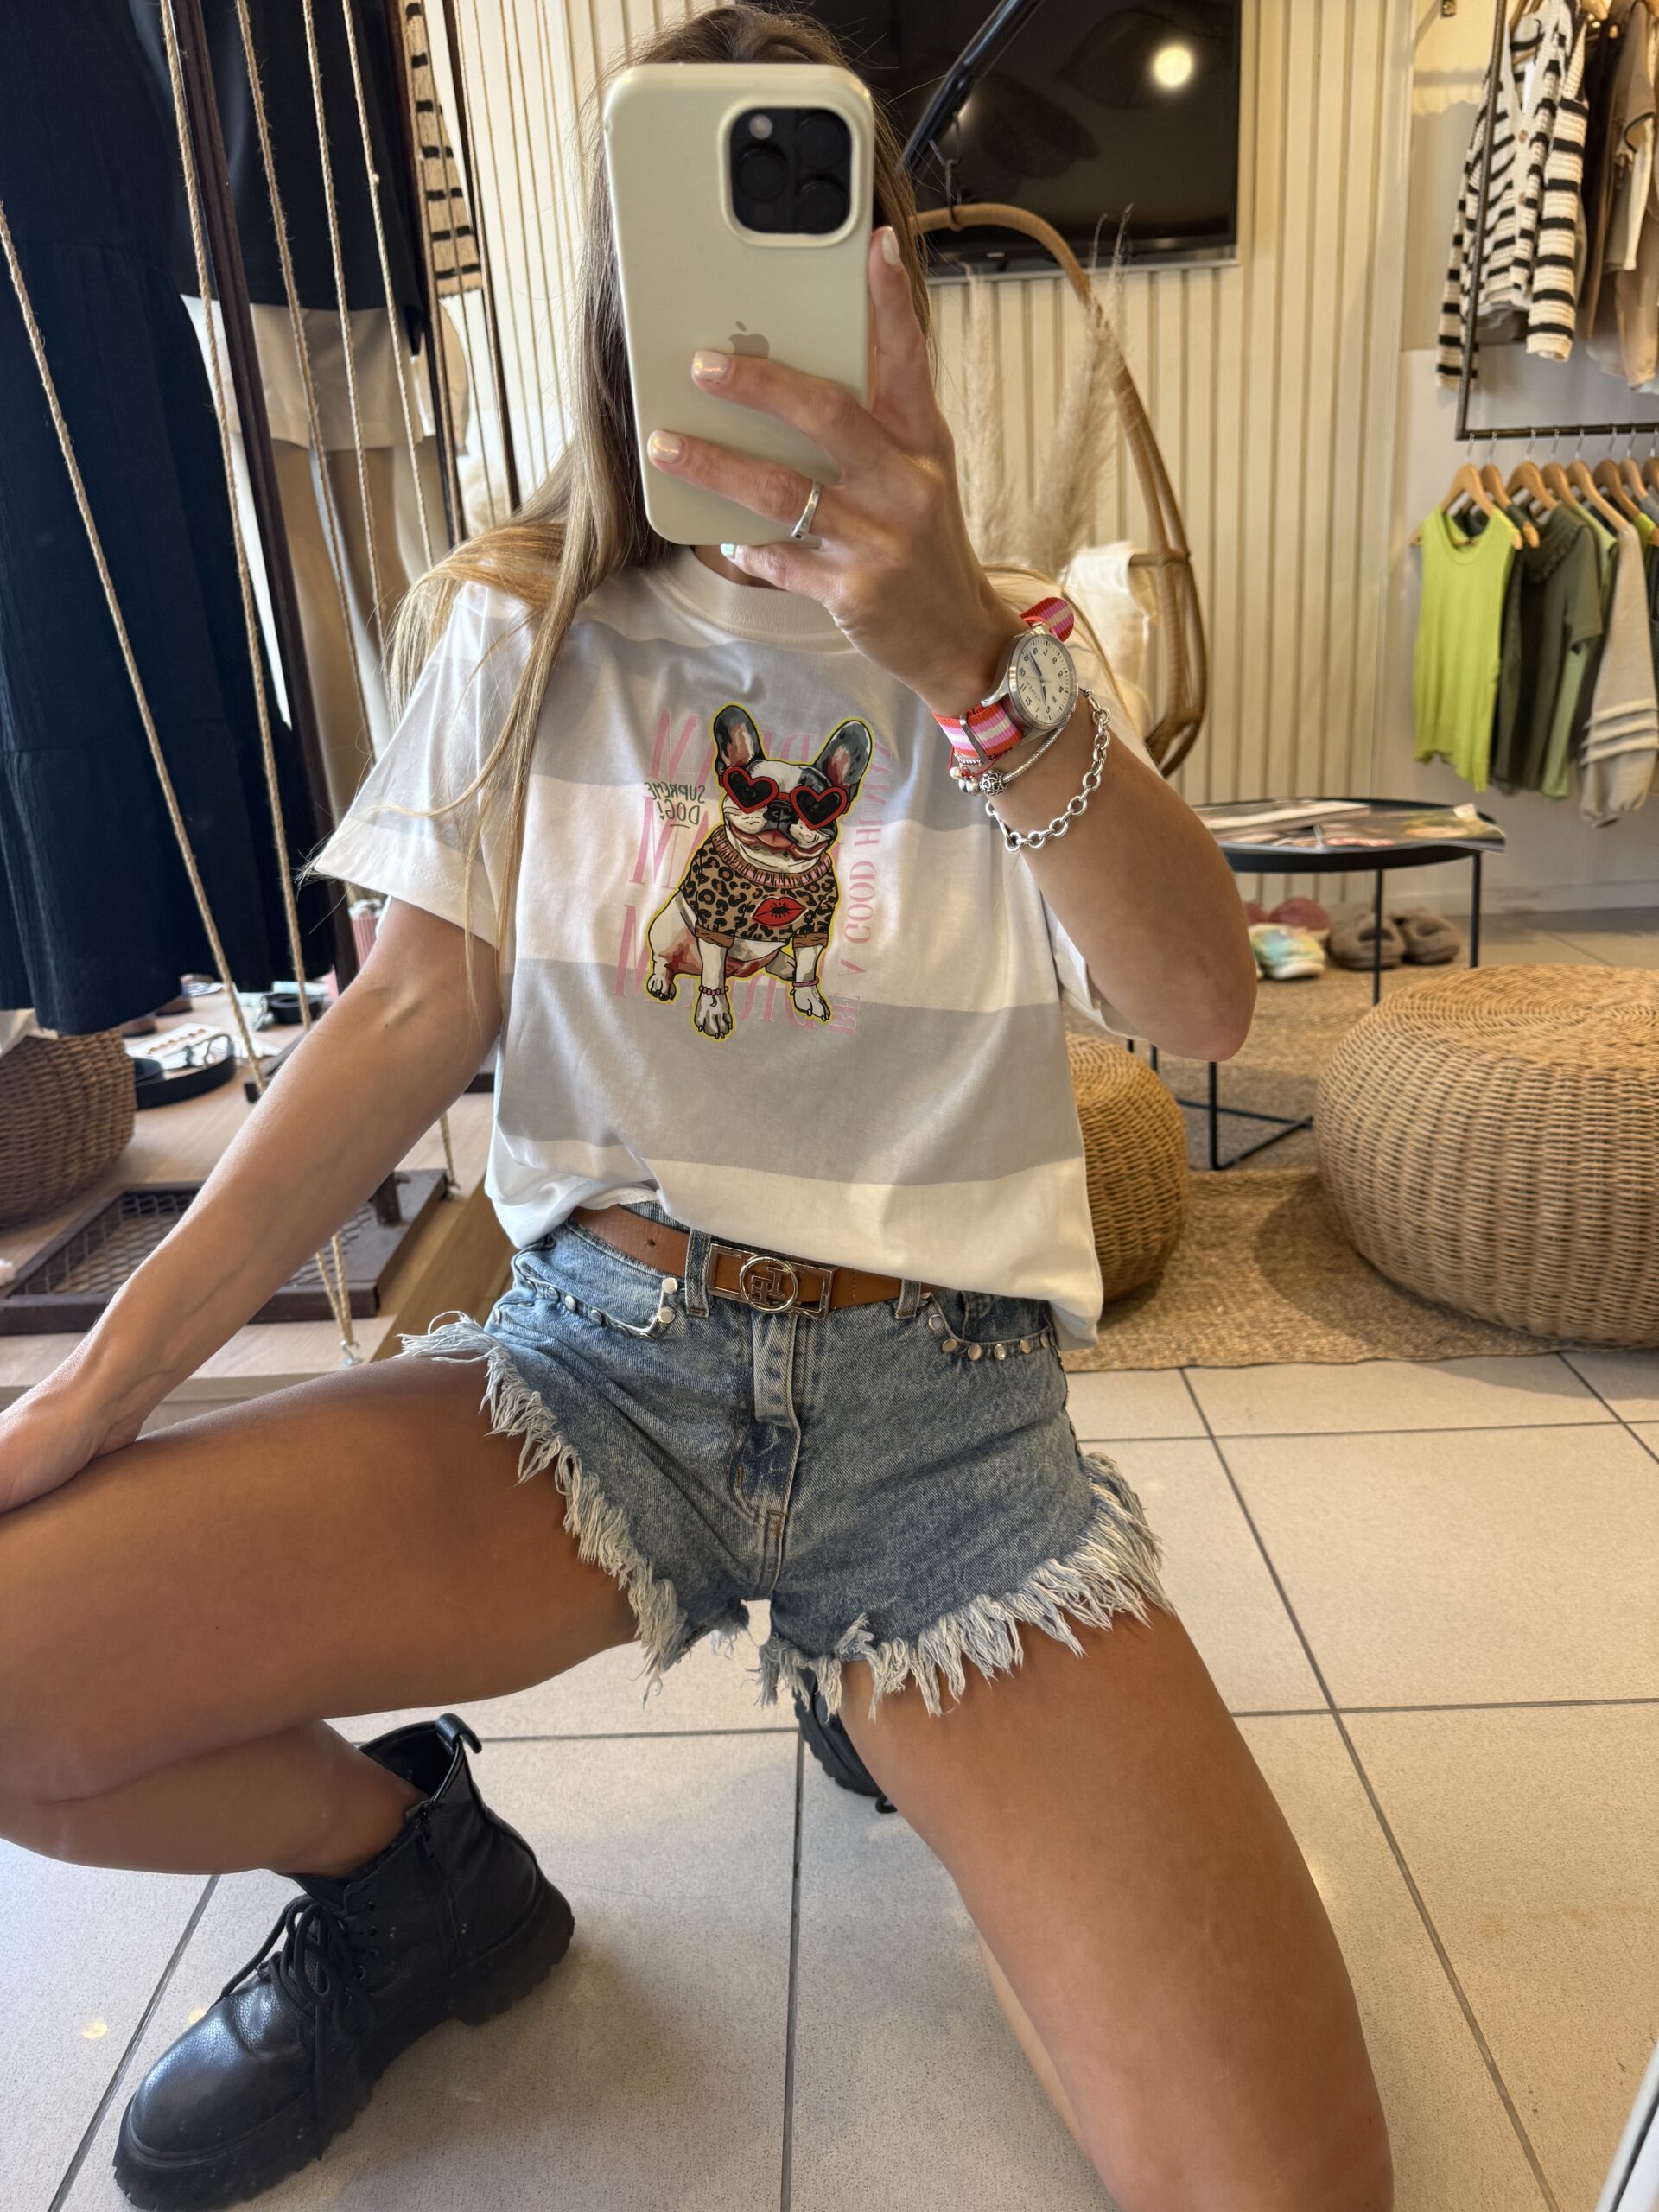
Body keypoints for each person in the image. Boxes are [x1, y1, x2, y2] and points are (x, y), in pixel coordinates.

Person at [0, 11, 1391, 2210]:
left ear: (893, 286)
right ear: (618, 305)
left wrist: (965, 662)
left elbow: (1205, 1001)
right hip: (594, 1385)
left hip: (945, 1441)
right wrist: (97, 1386)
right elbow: (399, 1021)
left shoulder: (1023, 641)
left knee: (1289, 2186)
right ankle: (410, 1878)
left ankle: (884, 1705)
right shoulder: (513, 621)